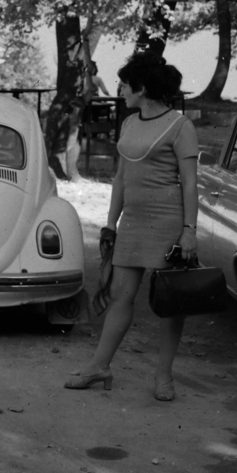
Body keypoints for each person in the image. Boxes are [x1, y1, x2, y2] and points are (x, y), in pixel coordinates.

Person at [65, 52, 199, 401]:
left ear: (142, 88)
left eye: (125, 83)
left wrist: (189, 229)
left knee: (170, 301)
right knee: (121, 295)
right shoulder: (129, 123)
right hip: (134, 223)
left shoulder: (181, 126)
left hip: (169, 222)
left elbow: (190, 183)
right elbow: (121, 177)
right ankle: (99, 366)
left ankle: (163, 376)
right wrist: (110, 223)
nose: (120, 88)